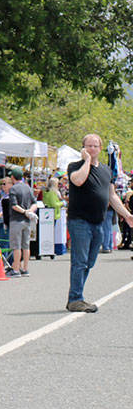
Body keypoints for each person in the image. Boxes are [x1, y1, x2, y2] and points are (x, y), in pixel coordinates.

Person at [65, 134, 133, 312]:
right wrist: (86, 161)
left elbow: (112, 196)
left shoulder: (106, 170)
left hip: (98, 222)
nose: (92, 149)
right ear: (83, 148)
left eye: (95, 146)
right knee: (79, 261)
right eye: (88, 146)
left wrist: (127, 215)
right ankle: (75, 299)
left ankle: (77, 295)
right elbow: (78, 180)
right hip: (79, 221)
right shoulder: (75, 166)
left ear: (100, 148)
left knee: (90, 261)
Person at [6, 167, 36, 277]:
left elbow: (14, 205)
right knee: (26, 246)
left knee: (16, 246)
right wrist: (30, 212)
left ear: (13, 177)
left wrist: (24, 211)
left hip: (16, 220)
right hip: (27, 221)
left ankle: (16, 270)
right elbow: (34, 203)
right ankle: (25, 269)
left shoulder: (13, 189)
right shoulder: (28, 188)